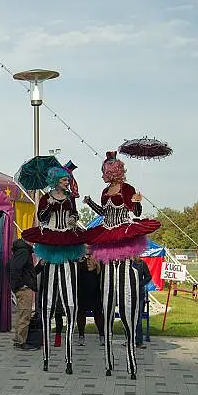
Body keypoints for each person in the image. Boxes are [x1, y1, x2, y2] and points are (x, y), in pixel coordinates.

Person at [84, 151, 161, 379]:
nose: (105, 175)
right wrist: (89, 203)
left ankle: (131, 357)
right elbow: (104, 212)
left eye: (108, 171)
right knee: (107, 295)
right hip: (107, 234)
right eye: (104, 171)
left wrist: (137, 203)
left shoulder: (127, 189)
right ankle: (108, 358)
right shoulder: (104, 192)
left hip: (123, 234)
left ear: (116, 171)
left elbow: (135, 212)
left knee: (127, 296)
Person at [21, 165, 86, 374]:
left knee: (70, 301)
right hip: (50, 240)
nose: (68, 182)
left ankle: (69, 358)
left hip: (67, 239)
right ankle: (47, 356)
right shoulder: (45, 198)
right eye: (65, 180)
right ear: (57, 180)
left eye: (68, 180)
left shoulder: (69, 198)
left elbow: (74, 214)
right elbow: (41, 217)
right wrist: (48, 205)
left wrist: (73, 220)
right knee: (48, 301)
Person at [9, 238, 37, 350]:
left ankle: (18, 340)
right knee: (25, 315)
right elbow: (15, 268)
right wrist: (21, 285)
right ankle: (21, 342)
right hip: (24, 289)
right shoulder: (24, 251)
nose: (34, 242)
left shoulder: (22, 250)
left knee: (22, 314)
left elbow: (28, 272)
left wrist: (39, 266)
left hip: (24, 287)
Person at [77, 253, 105, 346]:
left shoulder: (98, 267)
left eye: (90, 257)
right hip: (82, 294)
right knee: (81, 314)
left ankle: (102, 335)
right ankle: (81, 336)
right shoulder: (81, 266)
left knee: (98, 314)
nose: (88, 260)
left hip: (95, 294)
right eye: (87, 258)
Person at [131, 257, 153, 349]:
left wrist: (139, 283)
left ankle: (139, 341)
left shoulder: (141, 263)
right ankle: (130, 340)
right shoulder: (124, 262)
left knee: (138, 317)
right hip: (127, 293)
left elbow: (148, 276)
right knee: (128, 316)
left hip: (139, 293)